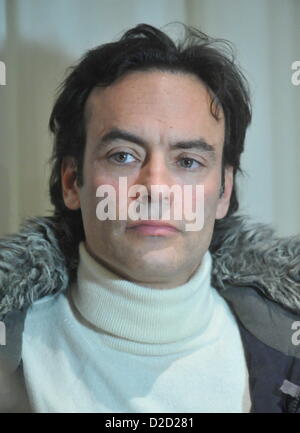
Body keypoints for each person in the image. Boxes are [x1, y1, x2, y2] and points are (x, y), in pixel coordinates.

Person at [1, 23, 300, 414]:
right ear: (73, 181)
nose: (157, 189)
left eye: (188, 161)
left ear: (224, 191)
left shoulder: (288, 352)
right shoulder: (12, 354)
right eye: (123, 155)